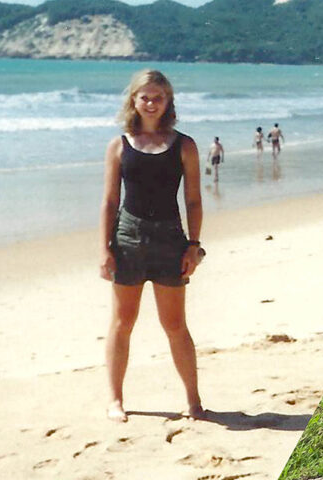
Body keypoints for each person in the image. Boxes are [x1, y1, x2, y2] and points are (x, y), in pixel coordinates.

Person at [99, 69, 206, 423]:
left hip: (170, 239)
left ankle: (193, 400)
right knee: (122, 322)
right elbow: (110, 200)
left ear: (168, 102)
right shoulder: (119, 145)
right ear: (133, 99)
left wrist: (194, 245)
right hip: (127, 238)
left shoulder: (184, 145)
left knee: (175, 324)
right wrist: (105, 249)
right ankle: (115, 400)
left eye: (157, 97)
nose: (150, 103)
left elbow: (193, 200)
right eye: (144, 96)